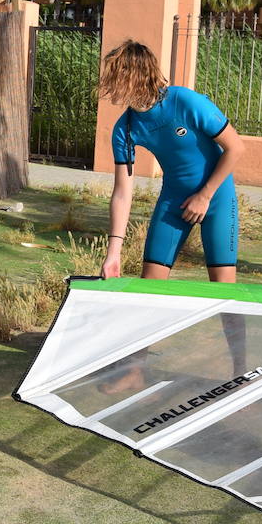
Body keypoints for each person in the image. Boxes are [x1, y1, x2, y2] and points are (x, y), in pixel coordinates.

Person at [99, 39, 245, 392]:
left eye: (117, 75)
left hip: (217, 198)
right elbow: (123, 191)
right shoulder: (127, 128)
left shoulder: (184, 101)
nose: (110, 84)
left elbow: (236, 147)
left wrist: (205, 195)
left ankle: (241, 372)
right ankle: (136, 368)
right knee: (149, 288)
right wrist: (114, 252)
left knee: (225, 292)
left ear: (136, 75)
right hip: (174, 200)